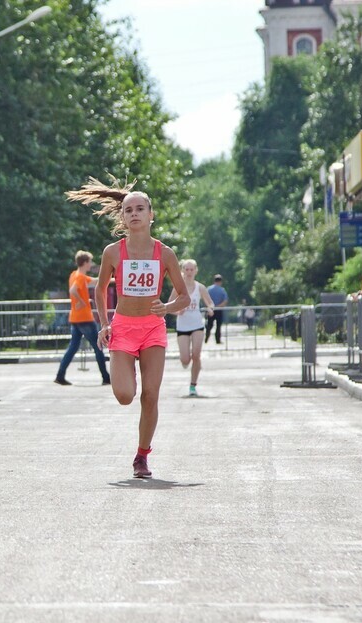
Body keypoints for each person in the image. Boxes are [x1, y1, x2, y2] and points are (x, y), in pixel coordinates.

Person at [66, 177, 189, 479]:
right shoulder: (112, 252)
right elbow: (99, 291)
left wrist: (167, 307)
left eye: (140, 208)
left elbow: (184, 296)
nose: (134, 213)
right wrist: (104, 324)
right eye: (128, 210)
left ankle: (142, 456)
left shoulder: (165, 253)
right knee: (124, 395)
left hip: (152, 329)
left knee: (150, 395)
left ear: (151, 215)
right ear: (122, 217)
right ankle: (127, 369)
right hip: (122, 327)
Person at [54, 250, 111, 386]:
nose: (91, 265)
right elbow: (73, 290)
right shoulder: (79, 278)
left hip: (75, 318)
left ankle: (60, 375)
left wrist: (113, 277)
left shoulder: (75, 275)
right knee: (98, 348)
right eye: (90, 262)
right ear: (85, 263)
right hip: (85, 318)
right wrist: (81, 300)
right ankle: (106, 377)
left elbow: (97, 281)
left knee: (72, 348)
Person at [168, 259, 215, 397]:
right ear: (182, 271)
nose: (189, 272)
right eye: (186, 269)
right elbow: (169, 306)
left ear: (195, 271)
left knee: (196, 355)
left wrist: (210, 309)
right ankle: (186, 361)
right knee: (185, 359)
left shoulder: (200, 287)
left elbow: (210, 302)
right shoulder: (178, 288)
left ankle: (193, 385)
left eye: (191, 269)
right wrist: (178, 311)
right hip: (182, 326)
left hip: (197, 325)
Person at [205, 274, 228, 344]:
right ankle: (218, 340)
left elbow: (205, 298)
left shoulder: (208, 289)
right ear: (220, 281)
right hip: (219, 310)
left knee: (209, 325)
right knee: (218, 326)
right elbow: (225, 301)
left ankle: (206, 338)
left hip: (210, 309)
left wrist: (209, 306)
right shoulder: (222, 290)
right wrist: (218, 306)